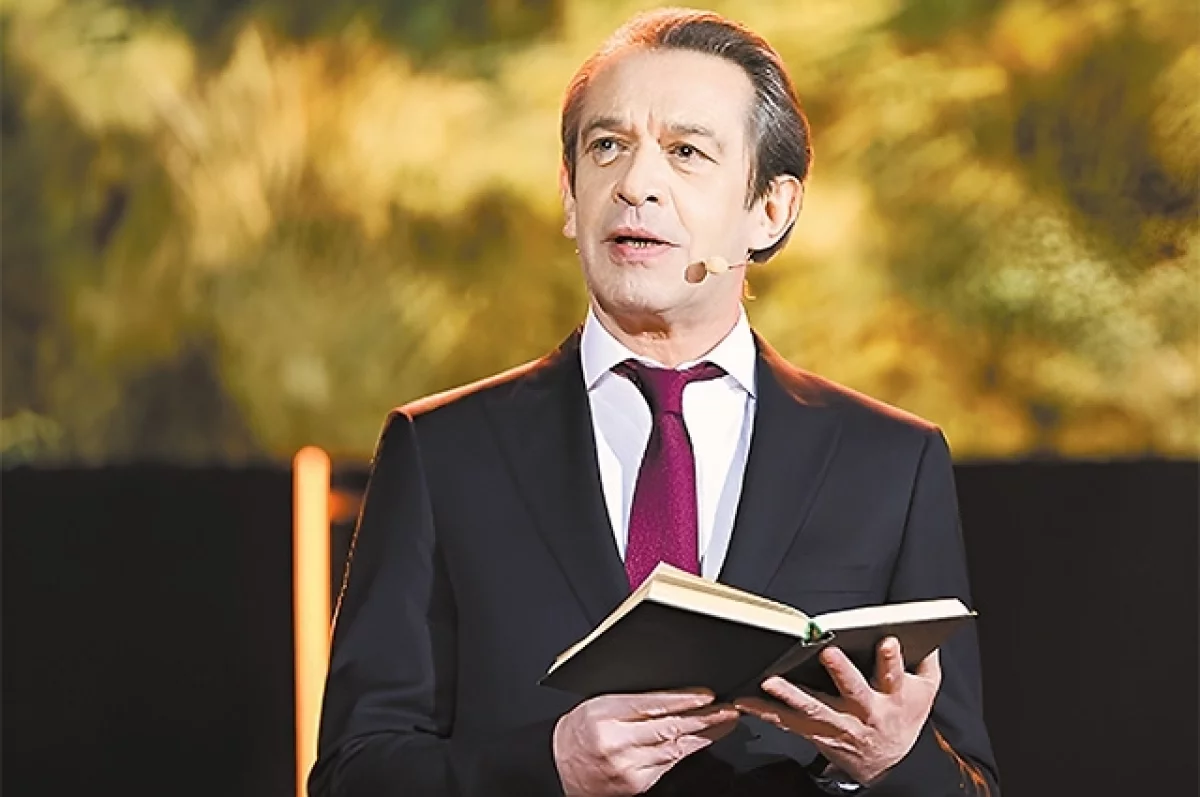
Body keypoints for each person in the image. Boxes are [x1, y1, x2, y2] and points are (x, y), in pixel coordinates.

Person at [309, 8, 1000, 796]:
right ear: (569, 195)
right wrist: (549, 765)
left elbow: (970, 780)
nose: (635, 184)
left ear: (771, 210)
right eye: (607, 147)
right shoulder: (443, 452)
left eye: (685, 152)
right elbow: (352, 775)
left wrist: (888, 762)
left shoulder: (889, 461)